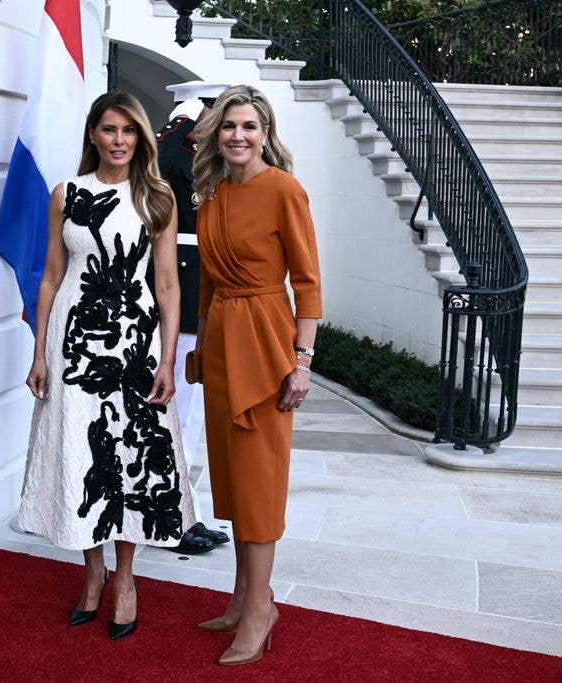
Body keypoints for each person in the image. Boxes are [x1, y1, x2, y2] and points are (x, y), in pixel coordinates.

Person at [17, 91, 198, 640]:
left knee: (130, 458)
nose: (119, 140)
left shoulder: (159, 197)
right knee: (81, 451)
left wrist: (168, 358)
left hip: (135, 346)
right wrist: (39, 350)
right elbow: (49, 275)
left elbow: (167, 285)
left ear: (141, 138)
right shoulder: (65, 194)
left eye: (129, 131)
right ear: (93, 134)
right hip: (73, 343)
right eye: (109, 129)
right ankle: (91, 571)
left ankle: (126, 579)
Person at [190, 85, 321, 665]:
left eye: (248, 125)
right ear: (216, 134)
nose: (237, 136)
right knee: (234, 476)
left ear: (265, 131)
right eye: (228, 126)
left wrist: (302, 361)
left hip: (268, 341)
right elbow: (209, 284)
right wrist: (197, 348)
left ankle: (262, 605)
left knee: (260, 480)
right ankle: (242, 596)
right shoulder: (211, 196)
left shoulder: (284, 190)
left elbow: (309, 283)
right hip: (221, 339)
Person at [156, 80, 232, 556]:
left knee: (187, 412)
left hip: (194, 283)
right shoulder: (178, 148)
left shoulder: (176, 142)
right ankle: (173, 518)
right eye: (219, 114)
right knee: (179, 413)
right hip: (184, 287)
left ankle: (184, 511)